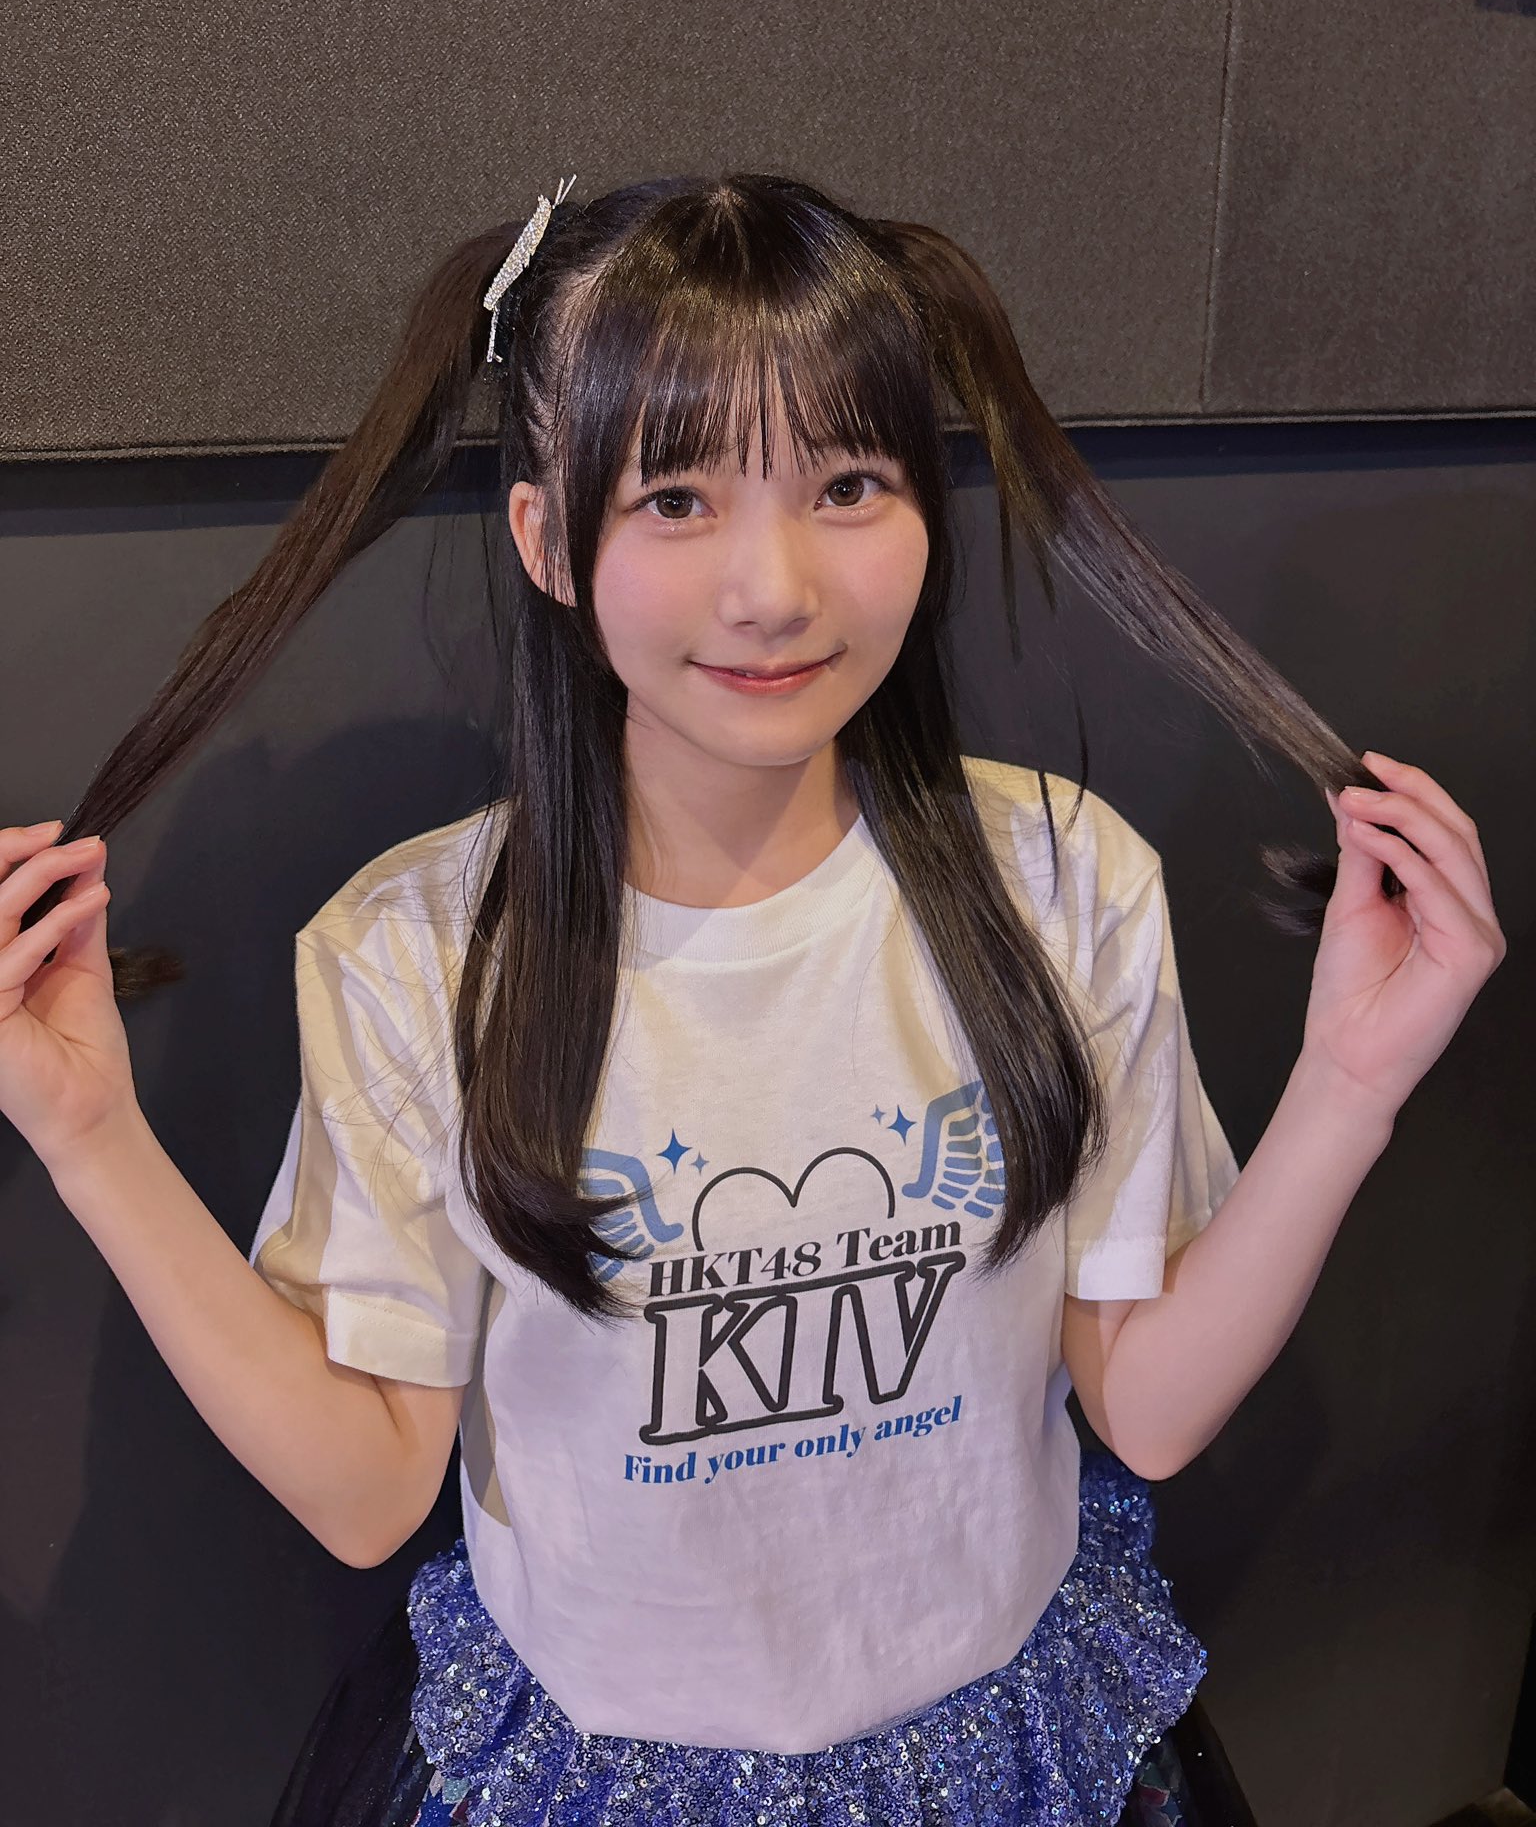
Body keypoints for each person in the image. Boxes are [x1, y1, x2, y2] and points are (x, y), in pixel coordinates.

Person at [2, 171, 1504, 1827]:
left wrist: (1350, 1086)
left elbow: (1143, 1408)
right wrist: (89, 1137)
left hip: (1006, 1753)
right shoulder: (417, 952)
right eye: (676, 498)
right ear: (546, 541)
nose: (775, 586)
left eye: (849, 484)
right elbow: (368, 1493)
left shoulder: (1062, 879)